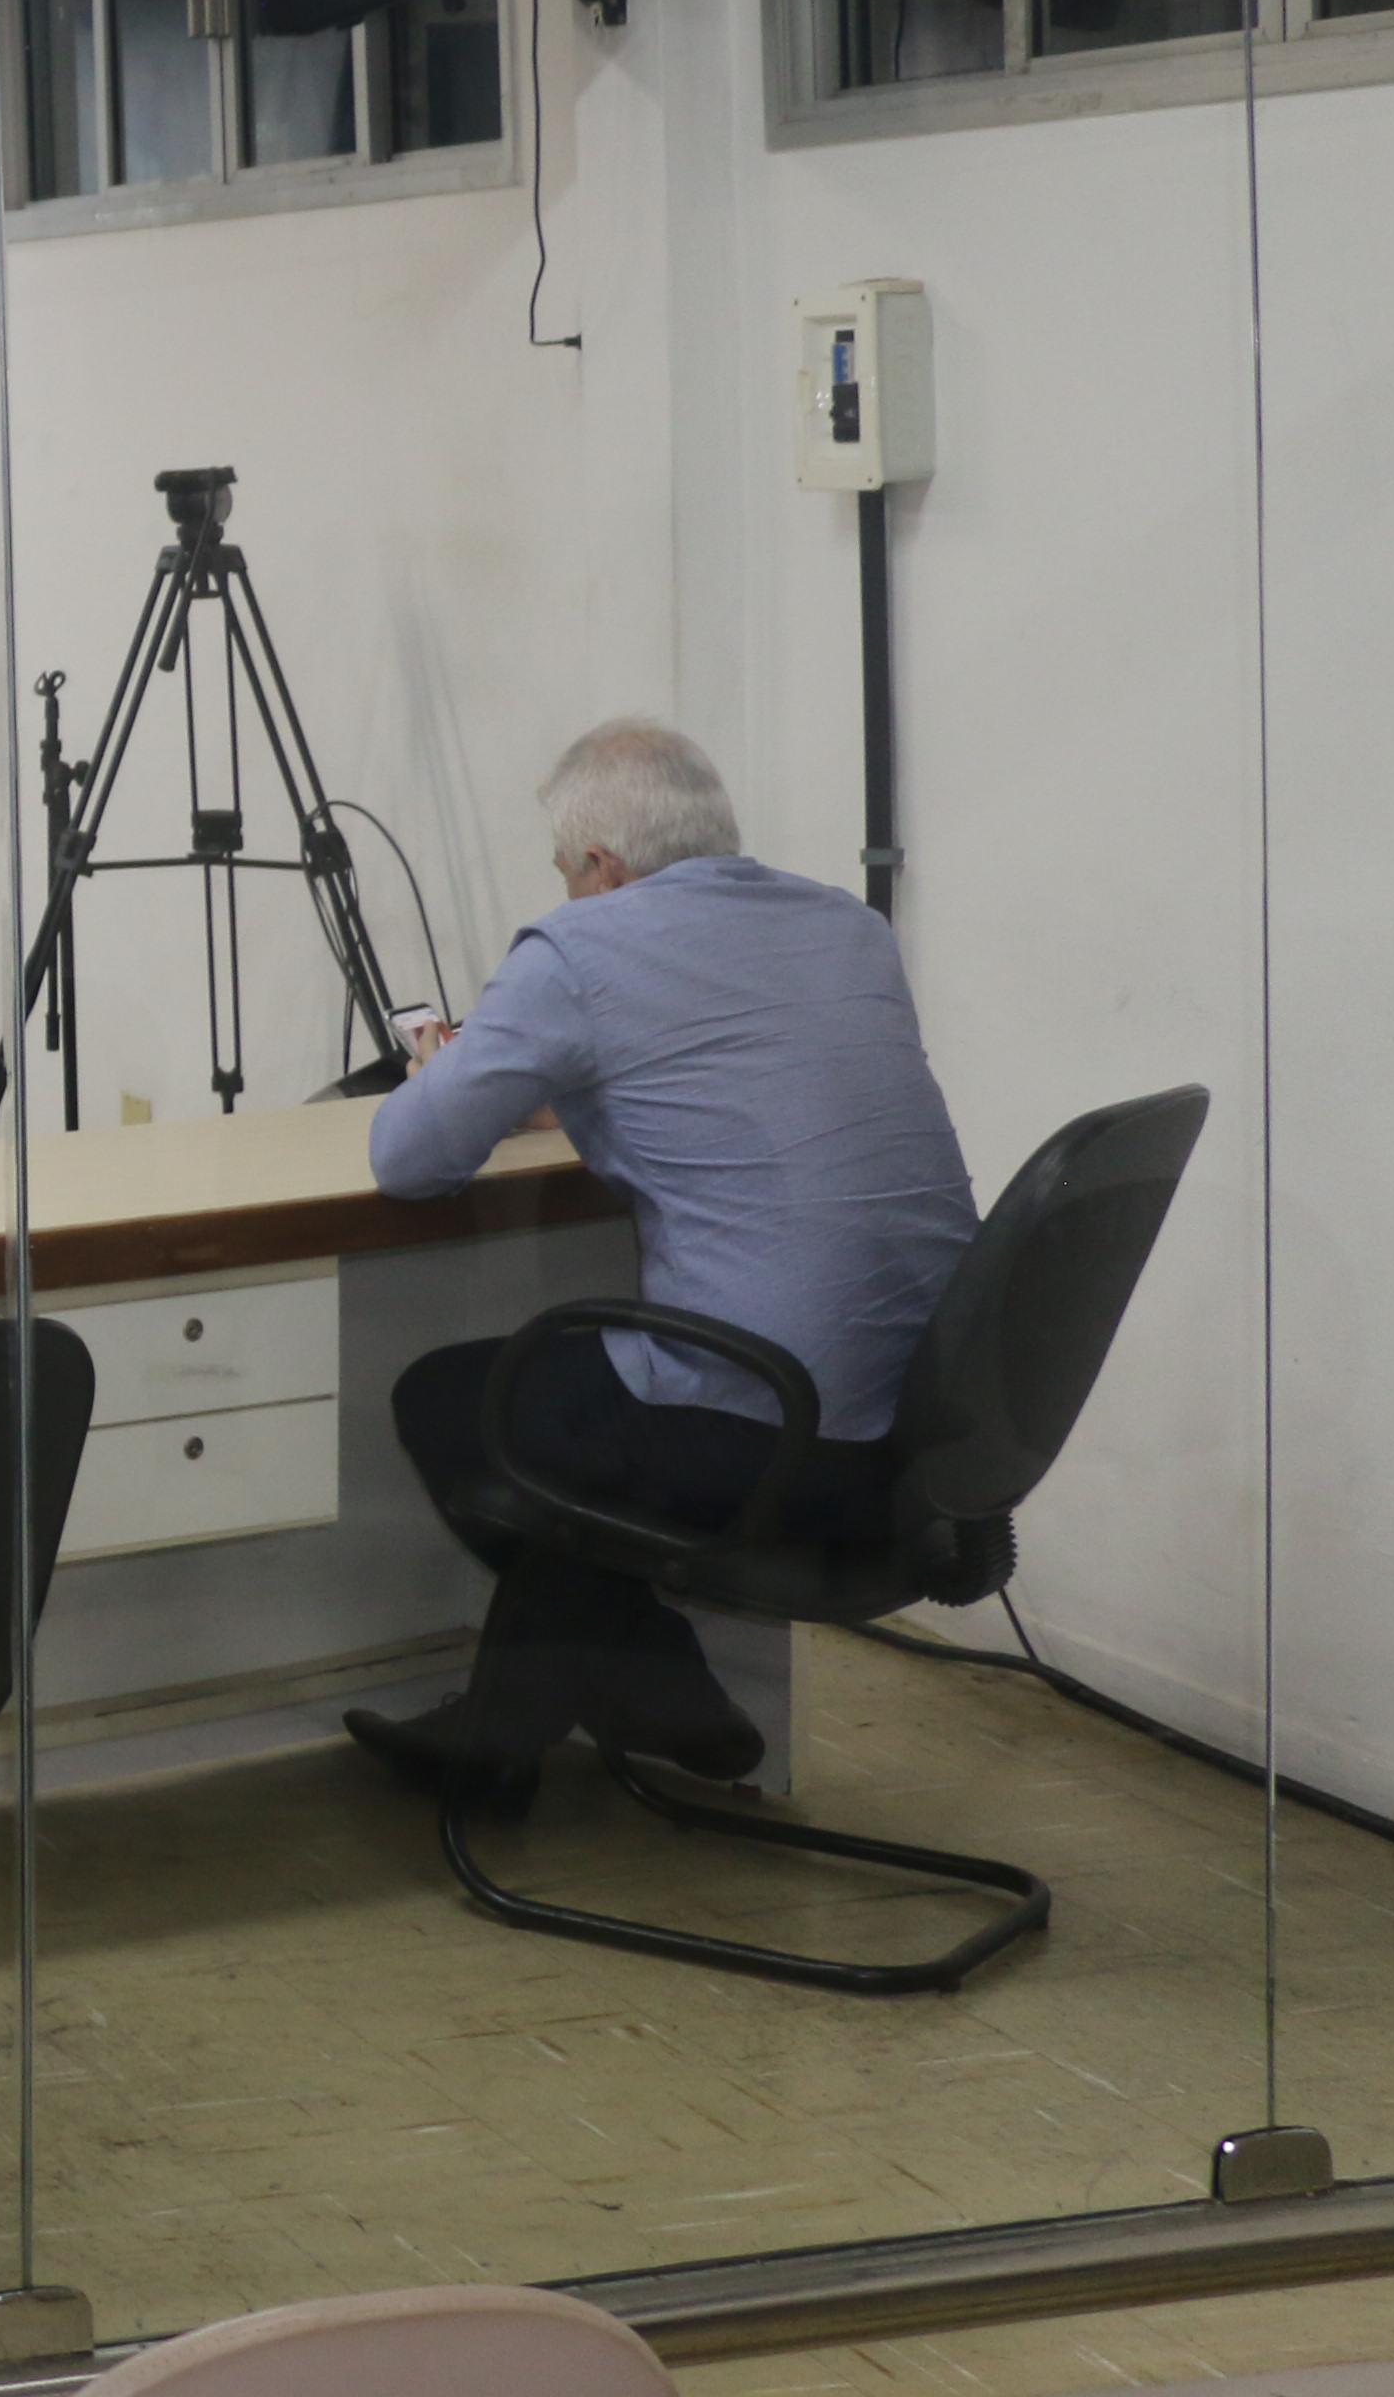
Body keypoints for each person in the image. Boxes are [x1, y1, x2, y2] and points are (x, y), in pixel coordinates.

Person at [347, 720, 982, 1806]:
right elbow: (745, 1079)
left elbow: (409, 1159)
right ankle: (523, 1728)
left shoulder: (578, 949)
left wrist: (458, 1078)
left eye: (565, 868)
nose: (565, 889)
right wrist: (578, 1088)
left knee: (454, 1401)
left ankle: (643, 1682)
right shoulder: (847, 926)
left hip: (773, 1435)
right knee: (572, 1424)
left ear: (601, 864)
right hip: (927, 1419)